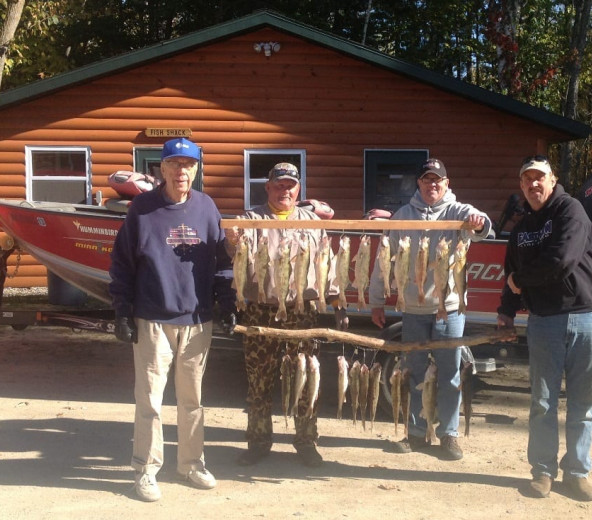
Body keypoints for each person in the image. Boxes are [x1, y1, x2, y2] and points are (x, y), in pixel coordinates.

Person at [109, 137, 236, 502]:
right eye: (175, 164)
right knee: (149, 399)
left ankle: (191, 463)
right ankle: (146, 470)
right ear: (161, 169)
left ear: (196, 170)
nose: (182, 171)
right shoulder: (142, 209)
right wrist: (122, 310)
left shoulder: (207, 208)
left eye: (189, 165)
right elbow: (122, 263)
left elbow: (222, 262)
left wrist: (226, 303)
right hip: (152, 317)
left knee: (192, 399)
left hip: (197, 319)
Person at [496, 155, 592, 502]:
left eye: (539, 178)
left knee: (582, 403)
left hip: (586, 317)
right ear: (521, 187)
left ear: (552, 179)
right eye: (526, 180)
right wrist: (506, 313)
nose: (533, 185)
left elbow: (561, 261)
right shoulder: (522, 229)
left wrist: (519, 281)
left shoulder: (571, 211)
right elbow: (509, 273)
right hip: (543, 321)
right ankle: (542, 471)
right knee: (542, 403)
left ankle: (577, 473)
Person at [224, 162, 346, 468]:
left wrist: (336, 302)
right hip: (259, 311)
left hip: (300, 311)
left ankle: (306, 441)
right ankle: (258, 441)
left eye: (290, 185)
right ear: (267, 187)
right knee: (259, 379)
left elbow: (327, 264)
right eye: (279, 185)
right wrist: (232, 239)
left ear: (299, 189)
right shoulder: (250, 219)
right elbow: (233, 251)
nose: (285, 190)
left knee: (305, 380)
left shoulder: (312, 222)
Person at [368, 158, 491, 461]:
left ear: (447, 184)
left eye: (438, 180)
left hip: (450, 309)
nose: (432, 184)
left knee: (450, 373)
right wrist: (376, 300)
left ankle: (449, 435)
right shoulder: (403, 216)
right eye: (426, 179)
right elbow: (383, 261)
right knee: (414, 371)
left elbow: (482, 226)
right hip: (413, 308)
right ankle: (416, 431)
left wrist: (479, 221)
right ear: (419, 184)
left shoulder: (457, 211)